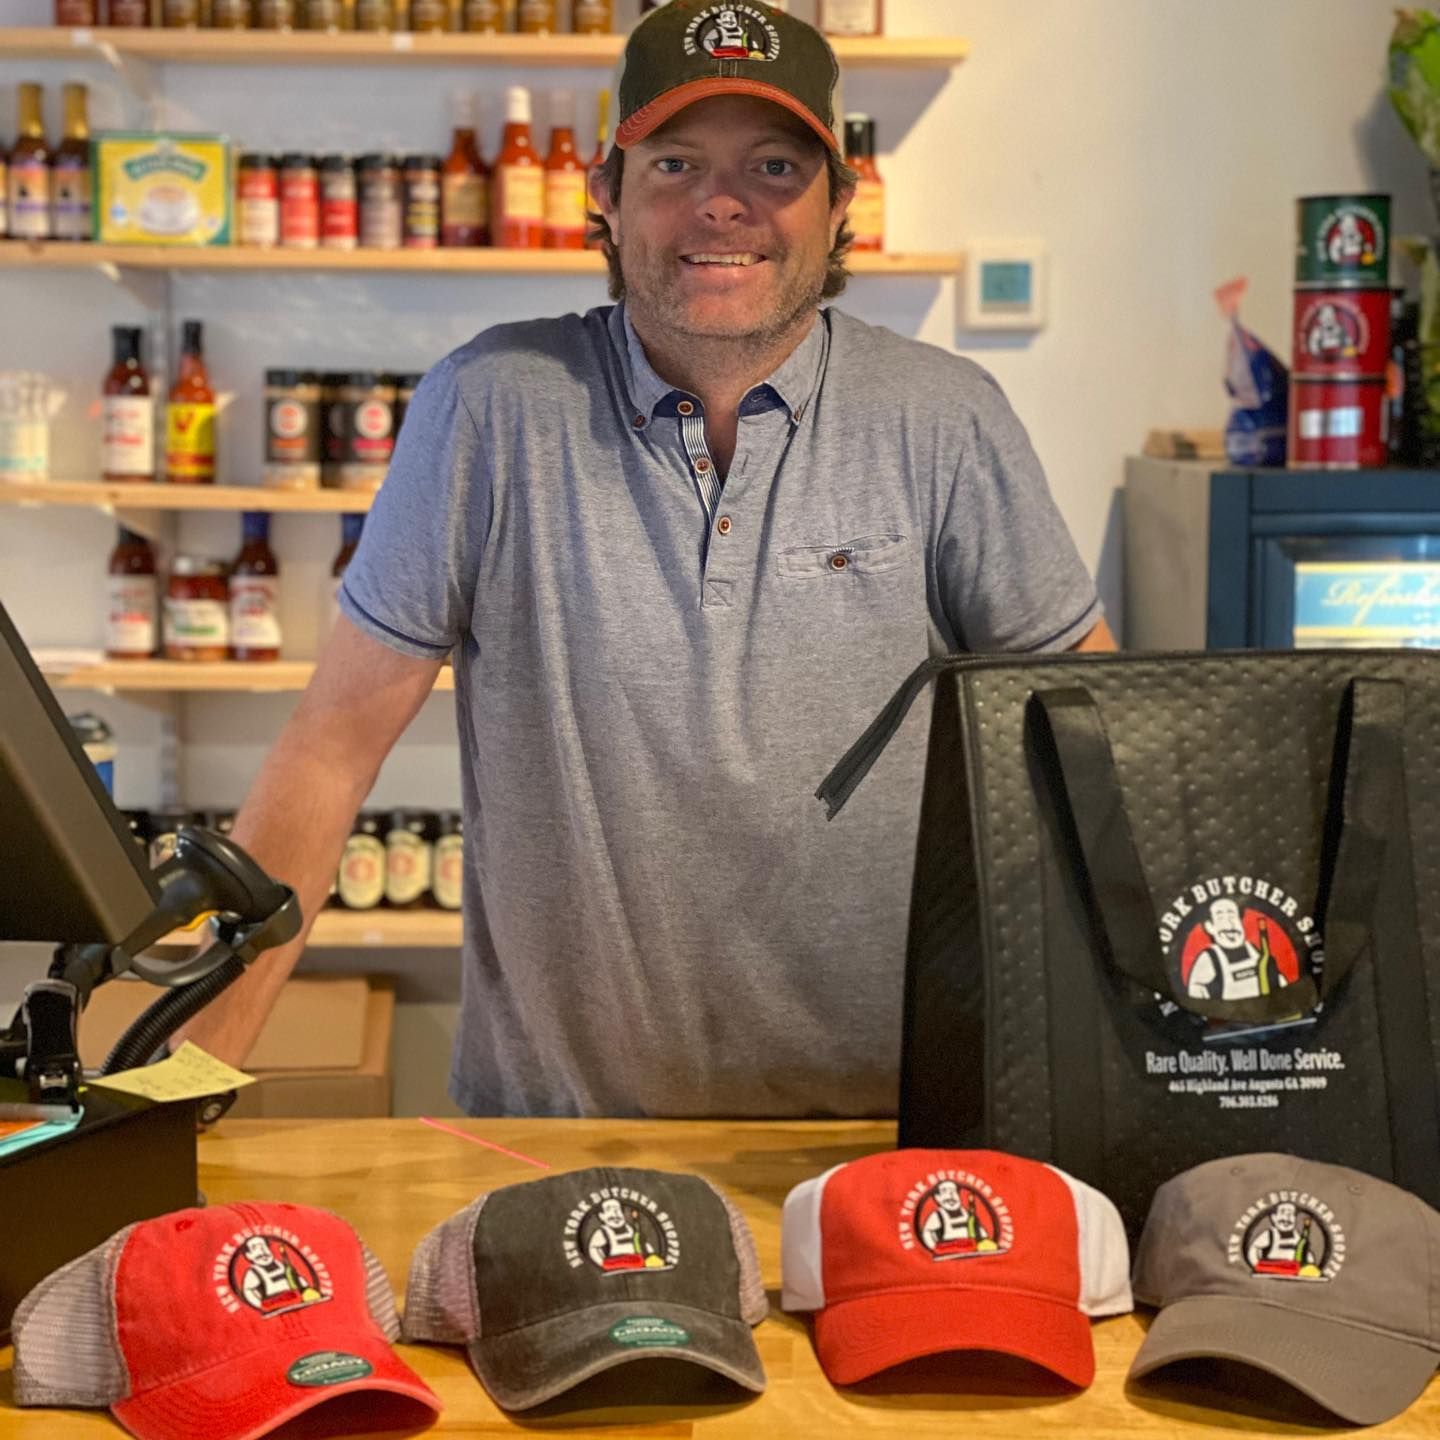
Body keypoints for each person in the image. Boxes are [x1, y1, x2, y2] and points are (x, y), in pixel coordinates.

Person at [181, 1, 1113, 1118]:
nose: (722, 204)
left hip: (887, 1135)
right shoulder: (487, 409)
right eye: (675, 162)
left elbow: (1088, 746)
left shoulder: (943, 418)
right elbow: (325, 758)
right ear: (605, 196)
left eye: (773, 163)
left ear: (840, 204)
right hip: (552, 1136)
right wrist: (178, 1086)